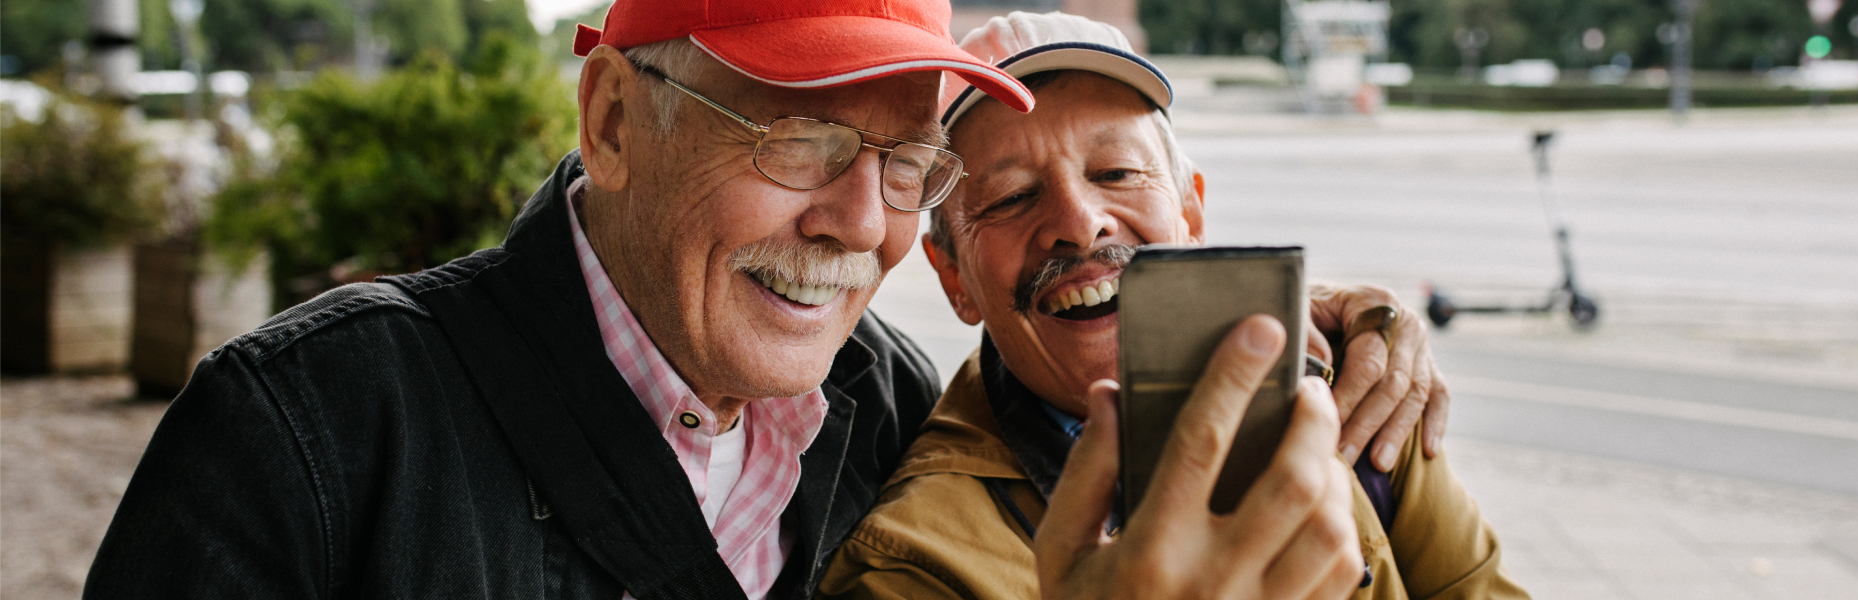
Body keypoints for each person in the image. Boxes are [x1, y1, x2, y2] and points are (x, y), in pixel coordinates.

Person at [85, 1, 1435, 598]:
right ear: (612, 118)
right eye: (795, 134)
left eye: (908, 160)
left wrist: (1326, 335)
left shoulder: (896, 411)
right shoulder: (309, 439)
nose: (860, 221)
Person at [817, 12, 1530, 600]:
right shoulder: (913, 566)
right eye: (1010, 197)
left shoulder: (1351, 389)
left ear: (1192, 213)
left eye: (1117, 172)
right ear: (954, 278)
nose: (1080, 220)